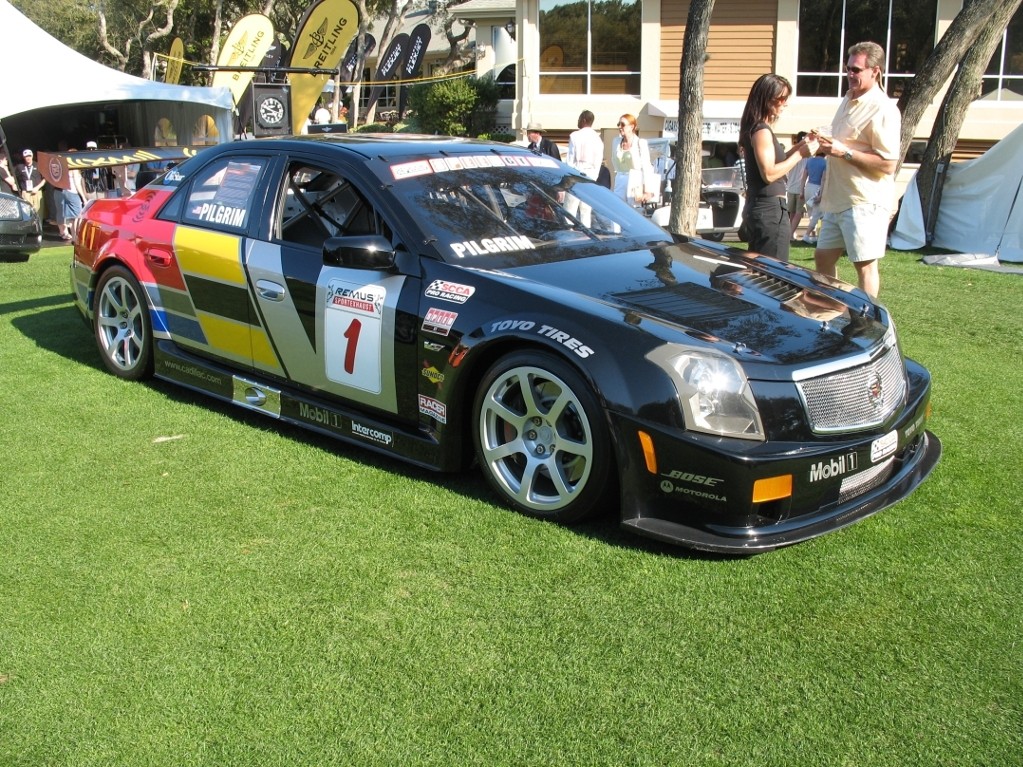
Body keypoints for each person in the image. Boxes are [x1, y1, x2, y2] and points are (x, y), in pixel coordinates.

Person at [813, 41, 901, 298]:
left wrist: (844, 152)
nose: (850, 74)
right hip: (836, 200)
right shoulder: (848, 98)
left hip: (864, 201)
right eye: (848, 69)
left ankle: (869, 321)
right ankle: (834, 309)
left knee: (864, 265)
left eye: (856, 70)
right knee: (822, 259)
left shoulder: (883, 109)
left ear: (875, 71)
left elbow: (888, 163)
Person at [738, 74, 815, 261]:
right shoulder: (761, 130)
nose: (784, 104)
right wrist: (800, 154)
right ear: (766, 98)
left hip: (762, 208)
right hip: (770, 211)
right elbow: (769, 174)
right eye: (781, 98)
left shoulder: (757, 128)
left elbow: (774, 165)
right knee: (773, 277)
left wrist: (800, 146)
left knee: (758, 274)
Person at [565, 110, 605, 226]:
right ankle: (586, 233)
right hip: (590, 175)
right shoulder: (597, 139)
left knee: (570, 208)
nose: (577, 121)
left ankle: (568, 230)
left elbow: (570, 160)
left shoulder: (575, 136)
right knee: (586, 210)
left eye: (579, 119)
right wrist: (593, 178)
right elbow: (598, 162)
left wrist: (569, 177)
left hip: (575, 173)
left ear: (583, 120)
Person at [610, 113, 654, 206]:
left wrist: (648, 190)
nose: (620, 127)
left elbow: (647, 166)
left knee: (633, 210)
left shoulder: (640, 143)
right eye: (619, 124)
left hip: (635, 180)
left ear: (631, 127)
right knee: (616, 208)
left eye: (623, 124)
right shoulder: (616, 142)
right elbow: (614, 160)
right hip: (620, 178)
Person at [57, 149, 87, 241]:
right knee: (77, 217)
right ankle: (76, 237)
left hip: (66, 192)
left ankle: (74, 238)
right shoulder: (73, 168)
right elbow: (77, 184)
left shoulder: (65, 167)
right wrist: (83, 197)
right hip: (73, 193)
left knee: (72, 219)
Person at [786, 131, 809, 239]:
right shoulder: (807, 156)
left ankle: (789, 233)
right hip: (801, 188)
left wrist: (787, 181)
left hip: (790, 187)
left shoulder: (793, 154)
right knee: (798, 213)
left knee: (792, 213)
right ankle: (790, 234)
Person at [800, 154, 827, 243]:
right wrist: (821, 194)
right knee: (817, 214)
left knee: (811, 213)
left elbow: (804, 178)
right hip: (817, 188)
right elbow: (823, 179)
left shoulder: (809, 161)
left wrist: (801, 191)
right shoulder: (825, 163)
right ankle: (807, 235)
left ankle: (814, 235)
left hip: (808, 187)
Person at [16, 149, 45, 216]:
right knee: (27, 212)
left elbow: (45, 179)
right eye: (26, 156)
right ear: (23, 157)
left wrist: (37, 188)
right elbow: (15, 177)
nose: (28, 158)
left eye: (29, 156)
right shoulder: (19, 167)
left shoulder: (39, 165)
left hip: (37, 191)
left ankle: (39, 226)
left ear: (32, 156)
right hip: (26, 192)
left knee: (38, 212)